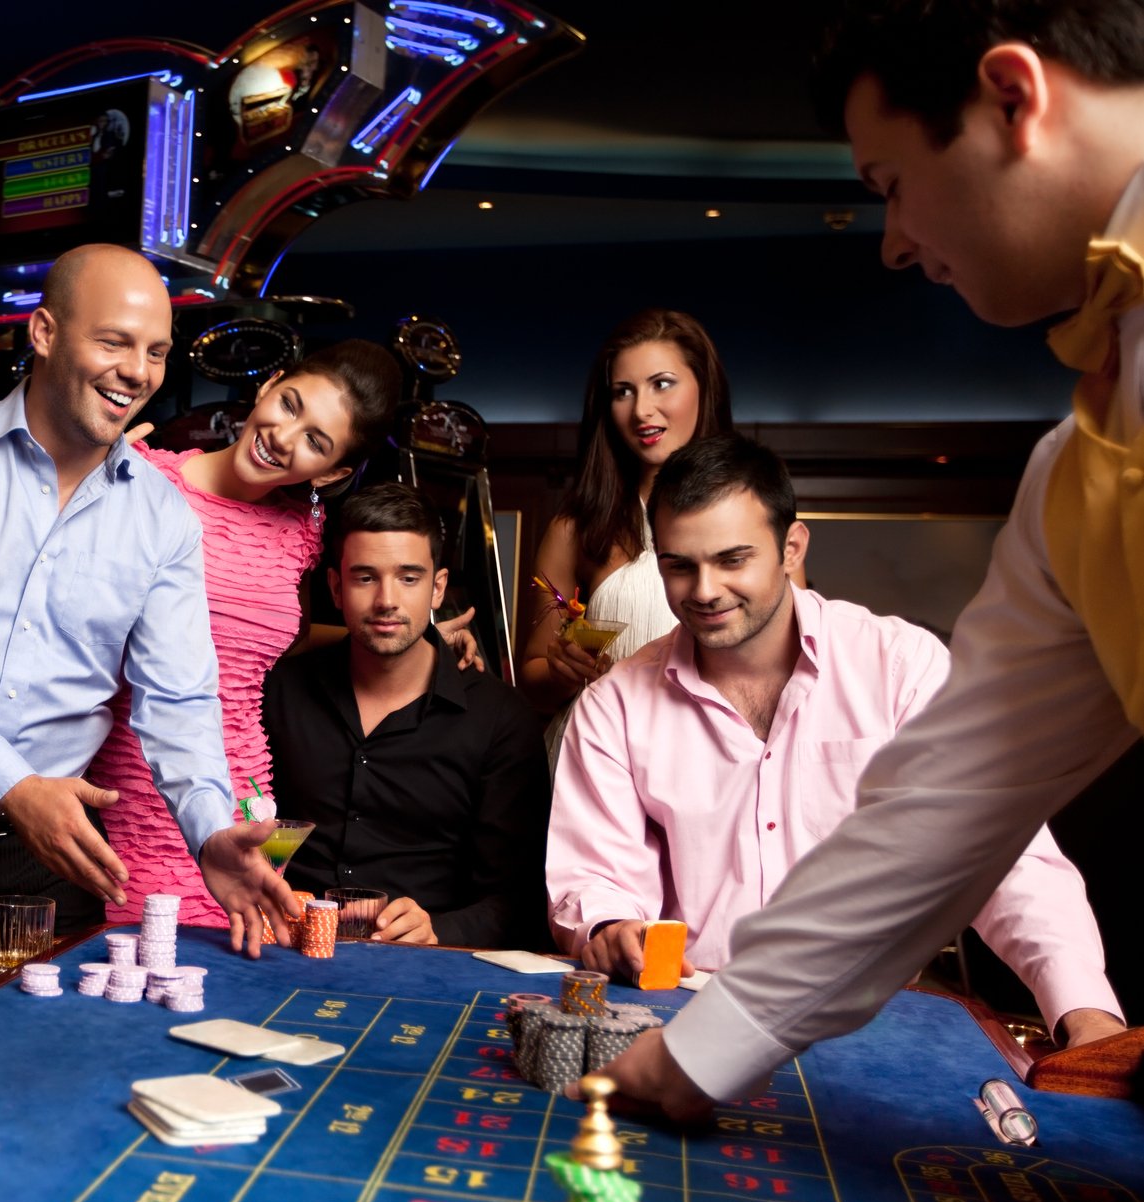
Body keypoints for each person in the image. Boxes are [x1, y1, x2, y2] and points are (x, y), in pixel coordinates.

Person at [599, 0, 1144, 1120]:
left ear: (1011, 97)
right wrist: (706, 1046)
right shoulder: (1076, 469)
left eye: (892, 182)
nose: (891, 239)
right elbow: (950, 800)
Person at [547, 434, 1124, 1045]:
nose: (705, 589)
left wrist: (1086, 1013)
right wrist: (611, 926)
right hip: (692, 1018)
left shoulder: (901, 667)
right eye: (679, 565)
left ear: (791, 548)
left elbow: (1005, 853)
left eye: (733, 559)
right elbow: (597, 877)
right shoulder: (613, 705)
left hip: (882, 1020)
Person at [0, 243, 297, 954]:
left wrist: (208, 830)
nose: (137, 373)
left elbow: (178, 697)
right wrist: (10, 784)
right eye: (114, 341)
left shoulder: (162, 516)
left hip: (55, 854)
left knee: (58, 1055)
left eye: (156, 352)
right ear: (43, 332)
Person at [85, 341, 397, 929]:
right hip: (137, 790)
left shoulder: (305, 527)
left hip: (246, 799)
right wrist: (87, 482)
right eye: (289, 404)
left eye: (316, 441)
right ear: (268, 384)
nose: (284, 436)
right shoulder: (139, 476)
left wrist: (419, 644)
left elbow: (274, 638)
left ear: (329, 473)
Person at [263, 484, 551, 948]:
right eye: (364, 578)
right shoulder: (280, 693)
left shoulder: (499, 720)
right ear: (336, 587)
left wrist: (438, 928)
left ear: (437, 588)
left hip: (426, 965)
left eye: (409, 578)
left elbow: (519, 901)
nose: (386, 600)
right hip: (282, 948)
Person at [518, 310, 736, 758]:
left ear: (703, 387)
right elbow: (531, 681)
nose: (641, 410)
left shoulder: (749, 516)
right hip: (595, 757)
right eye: (623, 392)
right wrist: (561, 670)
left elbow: (791, 650)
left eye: (662, 383)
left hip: (711, 756)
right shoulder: (577, 526)